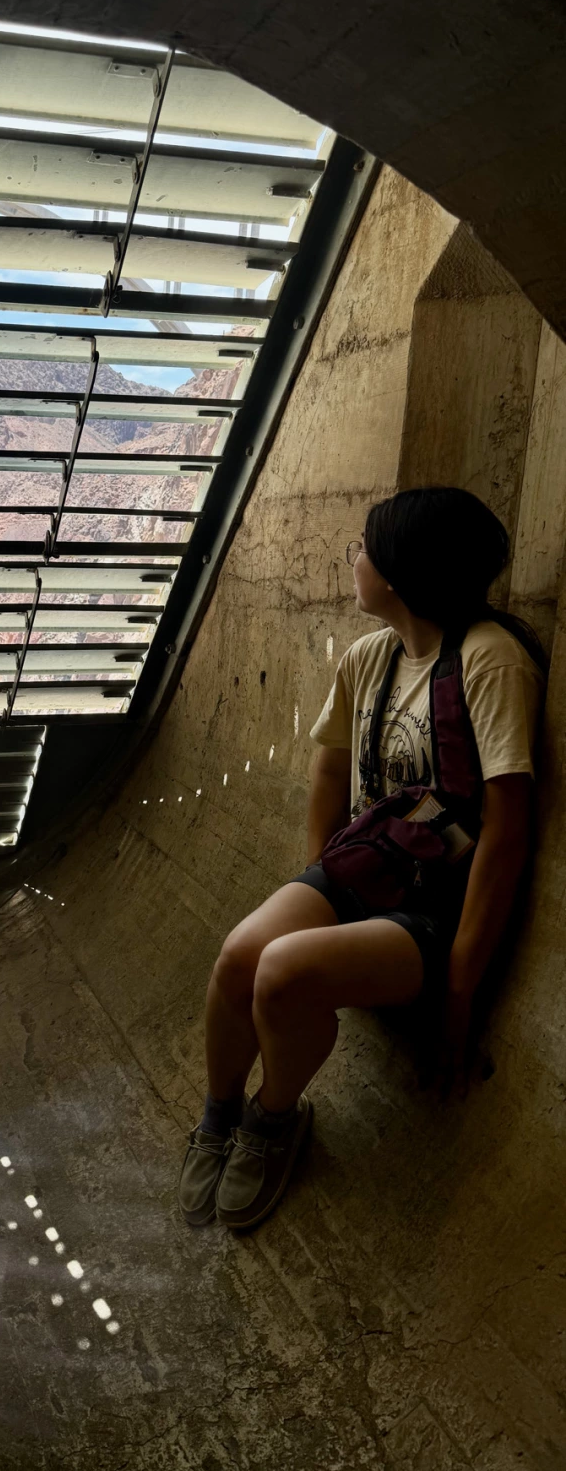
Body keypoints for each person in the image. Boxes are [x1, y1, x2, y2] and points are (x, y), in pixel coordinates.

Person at [177, 487, 545, 1232]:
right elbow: (327, 767)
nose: (355, 561)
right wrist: (320, 879)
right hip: (366, 865)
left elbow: (507, 830)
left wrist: (461, 992)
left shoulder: (489, 661)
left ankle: (274, 1118)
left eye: (367, 550)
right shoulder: (369, 657)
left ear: (404, 572)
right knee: (240, 954)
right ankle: (218, 1114)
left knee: (283, 972)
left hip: (436, 905)